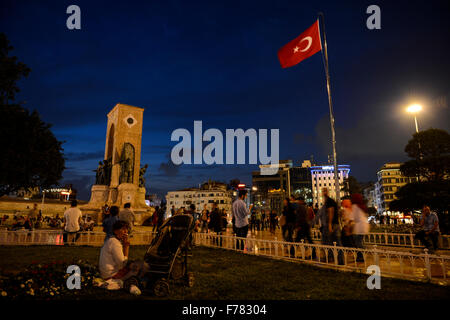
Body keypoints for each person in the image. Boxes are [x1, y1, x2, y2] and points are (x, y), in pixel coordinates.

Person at [98, 220, 143, 295]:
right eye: (123, 229)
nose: (125, 232)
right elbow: (122, 264)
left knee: (134, 265)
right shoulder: (115, 243)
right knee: (137, 268)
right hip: (111, 275)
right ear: (115, 231)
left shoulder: (111, 240)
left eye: (126, 229)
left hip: (105, 273)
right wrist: (126, 246)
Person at [322, 188, 344, 265]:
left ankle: (331, 258)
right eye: (323, 191)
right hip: (336, 224)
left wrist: (330, 224)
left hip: (332, 224)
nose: (323, 192)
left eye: (324, 191)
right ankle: (338, 259)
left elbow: (331, 211)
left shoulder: (329, 201)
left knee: (329, 242)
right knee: (336, 242)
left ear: (326, 192)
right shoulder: (331, 201)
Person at [350, 194, 369, 262]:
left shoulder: (354, 206)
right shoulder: (362, 206)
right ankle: (359, 257)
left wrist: (349, 226)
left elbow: (352, 218)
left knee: (357, 243)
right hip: (364, 225)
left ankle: (363, 253)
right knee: (359, 241)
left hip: (359, 226)